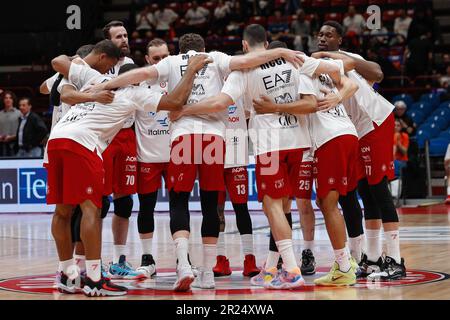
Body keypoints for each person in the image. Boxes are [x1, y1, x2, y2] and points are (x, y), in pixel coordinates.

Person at [97, 31, 308, 291]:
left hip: (184, 136)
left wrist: (107, 84)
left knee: (179, 200)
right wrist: (280, 51)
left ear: (179, 49)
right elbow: (245, 62)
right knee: (211, 204)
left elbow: (139, 74)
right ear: (203, 47)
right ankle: (208, 273)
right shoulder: (215, 57)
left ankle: (184, 265)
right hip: (213, 138)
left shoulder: (171, 62)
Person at [168, 25, 345, 289]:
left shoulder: (245, 70)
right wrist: (335, 86)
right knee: (285, 207)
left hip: (271, 143)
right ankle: (273, 267)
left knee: (272, 206)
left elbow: (219, 103)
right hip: (301, 143)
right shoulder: (295, 60)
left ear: (245, 46)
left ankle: (292, 269)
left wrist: (183, 110)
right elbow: (332, 76)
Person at [47, 50, 209, 297]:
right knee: (92, 209)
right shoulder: (135, 93)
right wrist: (191, 70)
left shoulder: (94, 79)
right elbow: (176, 102)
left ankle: (66, 274)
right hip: (83, 143)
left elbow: (58, 62)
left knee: (62, 210)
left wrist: (85, 65)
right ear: (136, 79)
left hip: (57, 139)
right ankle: (93, 279)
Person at [313, 21, 407, 281]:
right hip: (355, 130)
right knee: (366, 192)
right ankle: (374, 258)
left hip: (375, 122)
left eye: (329, 35)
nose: (323, 38)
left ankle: (396, 259)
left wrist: (337, 57)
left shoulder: (347, 58)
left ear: (339, 40)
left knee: (379, 190)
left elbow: (377, 73)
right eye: (320, 34)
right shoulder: (315, 65)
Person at [102, 21, 142, 279]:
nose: (124, 39)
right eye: (118, 36)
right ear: (107, 42)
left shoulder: (135, 69)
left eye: (126, 35)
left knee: (125, 202)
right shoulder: (95, 67)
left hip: (127, 136)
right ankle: (90, 261)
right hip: (104, 136)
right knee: (97, 202)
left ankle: (119, 260)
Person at [134, 38, 170, 278]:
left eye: (164, 57)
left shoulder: (180, 81)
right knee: (146, 208)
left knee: (181, 207)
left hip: (176, 155)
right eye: (156, 58)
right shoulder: (136, 86)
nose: (160, 62)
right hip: (147, 157)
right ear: (147, 60)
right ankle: (147, 258)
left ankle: (183, 258)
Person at [212, 96, 260, 278]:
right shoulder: (209, 83)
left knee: (241, 208)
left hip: (237, 156)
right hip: (214, 156)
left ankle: (250, 259)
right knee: (217, 210)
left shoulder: (241, 85)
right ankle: (220, 259)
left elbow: (252, 112)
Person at [0, 90, 20, 157]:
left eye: (10, 98)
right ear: (3, 100)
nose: (8, 100)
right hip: (1, 144)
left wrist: (13, 137)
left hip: (15, 144)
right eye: (6, 98)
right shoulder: (0, 114)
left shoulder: (19, 113)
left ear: (13, 100)